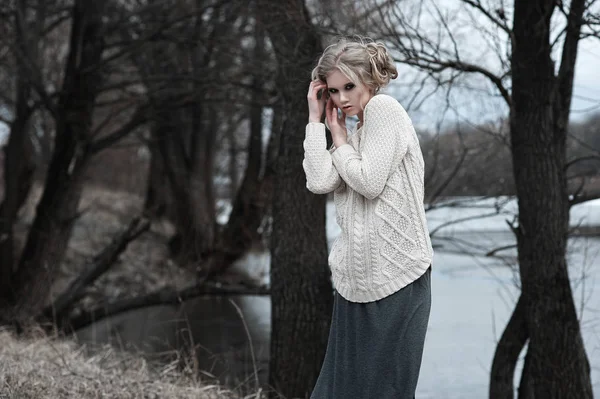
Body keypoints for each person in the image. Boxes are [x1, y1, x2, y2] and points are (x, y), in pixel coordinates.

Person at [303, 36, 433, 399]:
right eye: (333, 90)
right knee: (337, 391)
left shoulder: (385, 109)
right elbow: (320, 180)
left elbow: (369, 182)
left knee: (384, 391)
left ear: (370, 81)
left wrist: (341, 143)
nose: (342, 98)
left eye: (349, 86)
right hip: (355, 283)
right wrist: (319, 123)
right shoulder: (356, 135)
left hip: (397, 277)